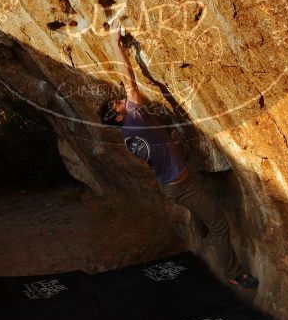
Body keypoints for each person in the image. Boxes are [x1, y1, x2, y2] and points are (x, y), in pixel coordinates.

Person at [97, 21, 259, 289]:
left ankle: (198, 226)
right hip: (181, 185)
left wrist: (169, 140)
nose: (121, 99)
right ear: (117, 115)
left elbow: (154, 147)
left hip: (172, 183)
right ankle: (234, 273)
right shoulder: (134, 119)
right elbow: (129, 80)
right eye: (117, 103)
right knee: (219, 224)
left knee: (200, 203)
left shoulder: (128, 134)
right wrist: (115, 43)